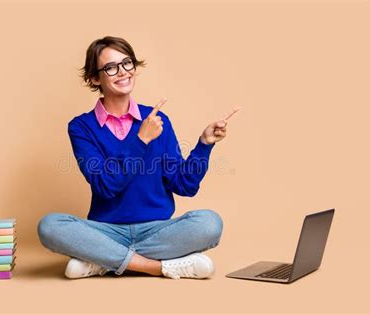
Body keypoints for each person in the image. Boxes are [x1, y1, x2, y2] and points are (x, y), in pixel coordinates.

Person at [37, 36, 240, 280]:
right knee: (49, 226)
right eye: (111, 67)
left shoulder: (156, 120)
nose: (123, 72)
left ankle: (103, 261)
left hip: (157, 229)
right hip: (106, 231)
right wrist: (140, 140)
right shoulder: (82, 127)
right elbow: (106, 186)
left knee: (209, 223)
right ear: (94, 78)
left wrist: (204, 145)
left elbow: (184, 185)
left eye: (127, 63)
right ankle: (158, 267)